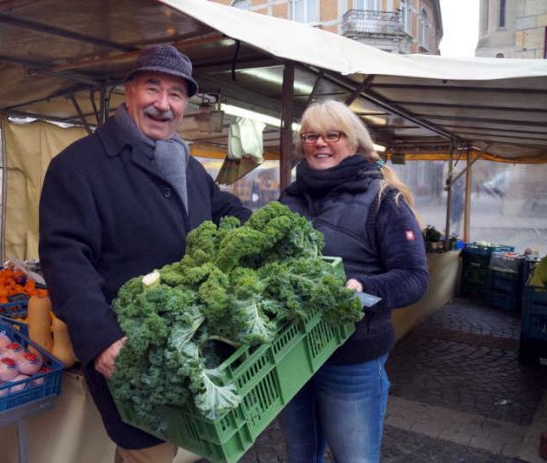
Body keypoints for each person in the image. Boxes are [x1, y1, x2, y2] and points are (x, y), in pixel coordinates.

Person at [38, 45, 251, 463]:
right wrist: (99, 339)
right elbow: (66, 259)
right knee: (147, 450)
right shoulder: (79, 165)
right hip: (129, 345)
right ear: (130, 92)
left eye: (175, 95)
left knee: (164, 450)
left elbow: (219, 207)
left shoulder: (186, 164)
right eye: (153, 88)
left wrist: (259, 227)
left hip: (188, 338)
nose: (163, 104)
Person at [278, 100, 428, 463]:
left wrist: (364, 286)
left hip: (352, 357)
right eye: (310, 136)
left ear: (355, 143)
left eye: (333, 135)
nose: (320, 143)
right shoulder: (290, 198)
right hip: (289, 355)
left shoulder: (384, 199)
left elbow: (414, 278)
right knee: (300, 456)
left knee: (354, 458)